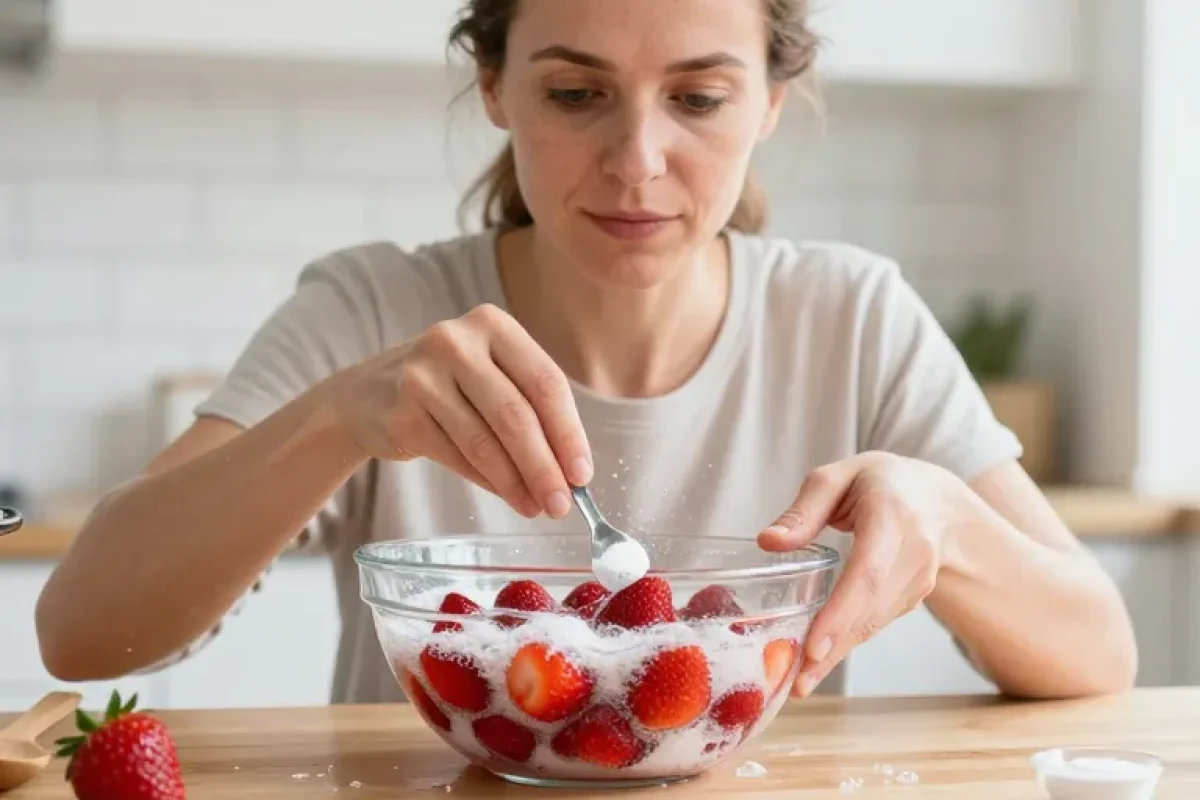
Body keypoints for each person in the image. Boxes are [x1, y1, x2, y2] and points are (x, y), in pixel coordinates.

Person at [35, 0, 1136, 704]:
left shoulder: (850, 316)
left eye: (699, 97)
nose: (638, 161)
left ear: (768, 105)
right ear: (495, 88)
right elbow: (80, 631)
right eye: (575, 94)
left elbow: (1100, 655)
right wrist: (337, 418)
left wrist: (943, 522)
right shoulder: (376, 307)